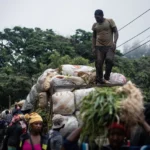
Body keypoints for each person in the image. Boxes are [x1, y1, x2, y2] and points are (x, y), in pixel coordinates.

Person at [92, 9, 119, 84]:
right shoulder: (95, 25)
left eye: (98, 17)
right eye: (95, 17)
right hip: (99, 47)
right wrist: (93, 47)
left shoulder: (109, 21)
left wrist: (114, 42)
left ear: (102, 16)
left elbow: (116, 32)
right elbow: (94, 37)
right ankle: (99, 79)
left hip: (109, 46)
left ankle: (107, 76)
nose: (96, 19)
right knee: (99, 62)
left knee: (109, 60)